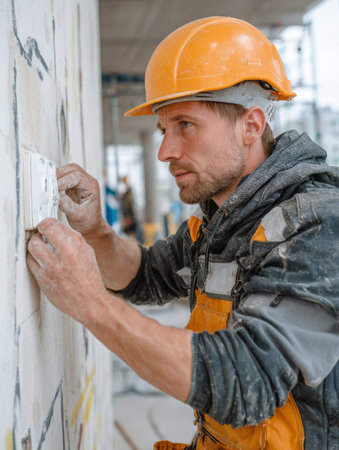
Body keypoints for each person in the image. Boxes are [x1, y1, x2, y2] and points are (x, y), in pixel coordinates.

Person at [26, 17, 339, 449]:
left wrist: (89, 303)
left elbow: (248, 378)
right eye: (162, 130)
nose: (164, 152)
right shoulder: (220, 220)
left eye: (185, 126)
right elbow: (147, 275)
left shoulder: (319, 224)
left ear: (250, 125)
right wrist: (96, 232)